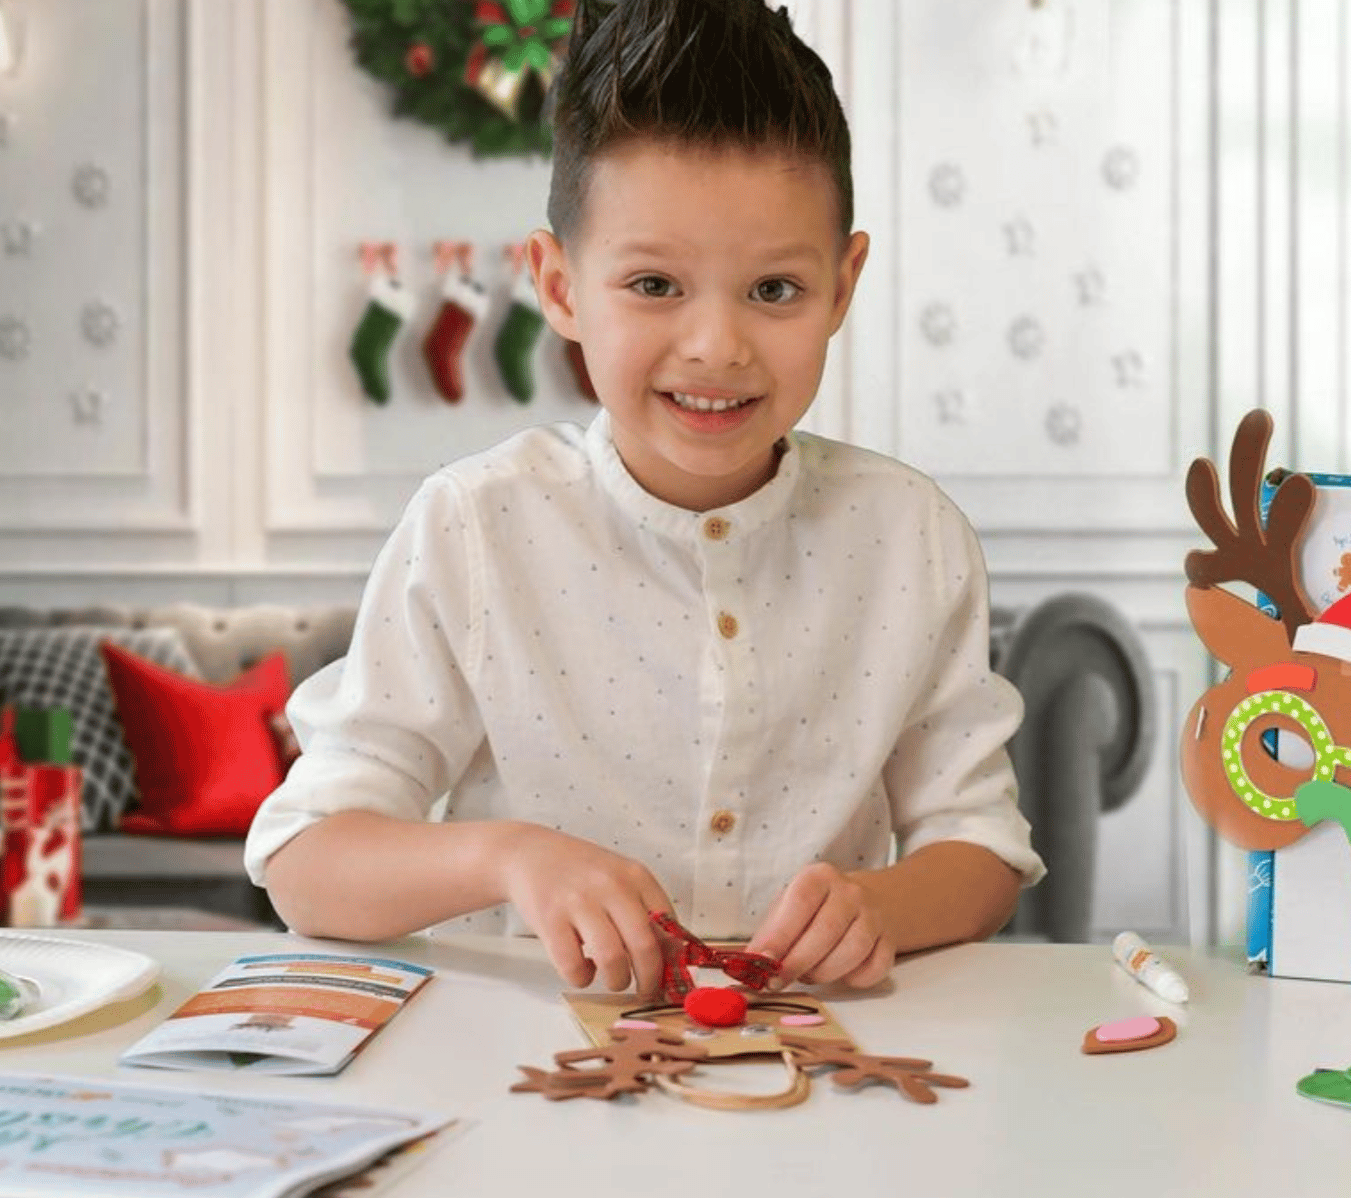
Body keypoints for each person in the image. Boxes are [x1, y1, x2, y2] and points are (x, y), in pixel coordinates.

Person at [247, 0, 1044, 997]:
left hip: (822, 1078)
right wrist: (510, 858)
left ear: (843, 286)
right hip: (533, 1077)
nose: (717, 344)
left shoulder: (911, 538)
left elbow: (981, 851)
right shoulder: (472, 526)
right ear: (561, 283)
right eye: (656, 285)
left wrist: (881, 904)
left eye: (775, 291)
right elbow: (306, 860)